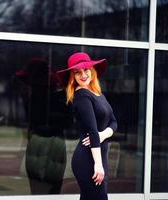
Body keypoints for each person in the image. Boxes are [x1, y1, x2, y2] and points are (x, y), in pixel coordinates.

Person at [57, 52, 118, 200]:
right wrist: (97, 164)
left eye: (86, 70)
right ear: (73, 77)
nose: (83, 75)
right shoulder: (82, 95)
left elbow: (114, 122)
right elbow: (91, 130)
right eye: (77, 72)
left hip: (99, 157)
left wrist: (102, 134)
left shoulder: (97, 94)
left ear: (92, 70)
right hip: (88, 160)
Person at [12, 57, 73, 194]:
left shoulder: (46, 98)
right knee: (47, 190)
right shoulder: (43, 98)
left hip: (49, 144)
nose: (28, 87)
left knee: (43, 190)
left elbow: (66, 122)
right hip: (44, 144)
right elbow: (67, 122)